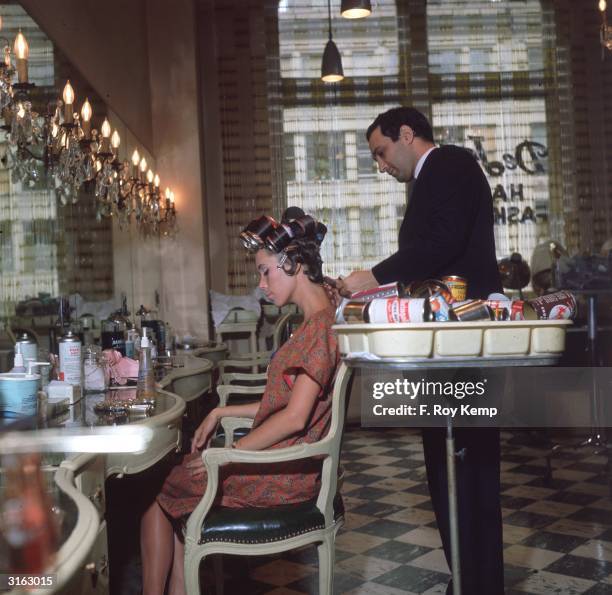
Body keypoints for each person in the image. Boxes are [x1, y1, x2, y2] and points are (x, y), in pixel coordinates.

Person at [336, 106, 504, 595]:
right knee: (446, 463)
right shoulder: (432, 178)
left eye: (382, 152)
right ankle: (469, 577)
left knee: (464, 466)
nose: (381, 164)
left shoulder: (449, 163)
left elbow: (441, 243)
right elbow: (432, 255)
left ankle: (478, 581)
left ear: (408, 134)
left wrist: (372, 276)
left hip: (462, 342)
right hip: (447, 343)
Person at [140, 211, 339, 595]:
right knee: (179, 485)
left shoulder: (317, 328)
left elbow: (295, 419)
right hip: (288, 462)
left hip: (285, 475)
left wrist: (229, 454)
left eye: (266, 272)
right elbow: (283, 403)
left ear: (294, 264)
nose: (261, 284)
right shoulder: (318, 321)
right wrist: (219, 410)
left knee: (158, 490)